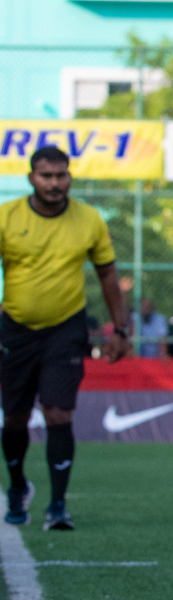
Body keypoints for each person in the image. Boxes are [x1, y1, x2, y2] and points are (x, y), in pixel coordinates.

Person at [2, 146, 130, 529]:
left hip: (65, 328)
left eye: (61, 175)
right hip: (15, 328)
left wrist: (120, 329)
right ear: (31, 179)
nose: (55, 183)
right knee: (15, 419)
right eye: (46, 176)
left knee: (59, 412)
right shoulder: (6, 217)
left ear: (69, 177)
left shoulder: (88, 219)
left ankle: (58, 504)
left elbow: (108, 274)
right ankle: (18, 485)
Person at [137, 295, 168, 359]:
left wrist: (163, 354)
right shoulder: (135, 319)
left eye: (148, 307)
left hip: (156, 358)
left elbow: (163, 338)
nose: (146, 309)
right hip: (139, 358)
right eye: (143, 306)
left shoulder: (160, 319)